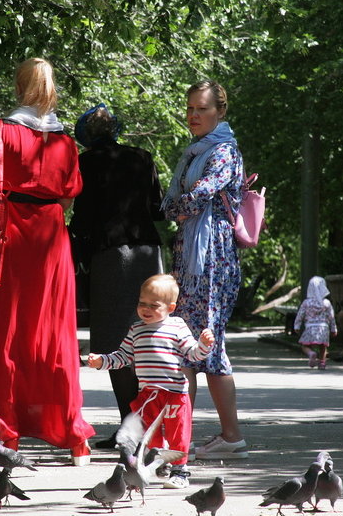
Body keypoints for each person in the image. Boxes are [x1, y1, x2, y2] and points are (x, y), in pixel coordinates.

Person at [0, 57, 96, 466]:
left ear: (20, 86)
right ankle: (75, 439)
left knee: (6, 331)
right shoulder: (65, 140)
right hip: (50, 237)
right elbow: (70, 196)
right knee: (53, 334)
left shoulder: (3, 129)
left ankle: (9, 434)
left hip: (10, 234)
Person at [160, 80, 247, 462]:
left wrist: (171, 209)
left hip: (211, 259)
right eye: (190, 108)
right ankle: (200, 437)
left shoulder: (224, 150)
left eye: (202, 109)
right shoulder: (196, 150)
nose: (194, 115)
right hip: (192, 257)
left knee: (203, 347)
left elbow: (196, 198)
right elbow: (181, 200)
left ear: (220, 112)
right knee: (192, 348)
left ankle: (199, 439)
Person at [68, 103, 165, 449]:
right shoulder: (142, 157)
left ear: (87, 138)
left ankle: (130, 426)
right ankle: (148, 429)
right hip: (147, 255)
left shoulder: (85, 163)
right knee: (150, 338)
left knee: (114, 343)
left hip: (110, 257)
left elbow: (81, 219)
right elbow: (158, 208)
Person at [86, 274, 215, 489]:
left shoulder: (177, 326)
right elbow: (122, 357)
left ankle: (180, 471)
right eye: (141, 303)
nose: (145, 309)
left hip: (175, 393)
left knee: (178, 433)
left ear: (171, 307)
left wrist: (204, 345)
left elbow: (193, 355)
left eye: (154, 305)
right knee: (149, 433)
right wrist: (101, 361)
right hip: (148, 394)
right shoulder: (136, 330)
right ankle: (157, 463)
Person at [293, 275, 338, 369]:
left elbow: (300, 315)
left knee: (304, 345)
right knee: (323, 346)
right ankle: (322, 363)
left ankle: (311, 353)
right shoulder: (327, 303)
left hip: (310, 327)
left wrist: (296, 326)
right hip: (324, 328)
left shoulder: (306, 302)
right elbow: (331, 317)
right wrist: (333, 329)